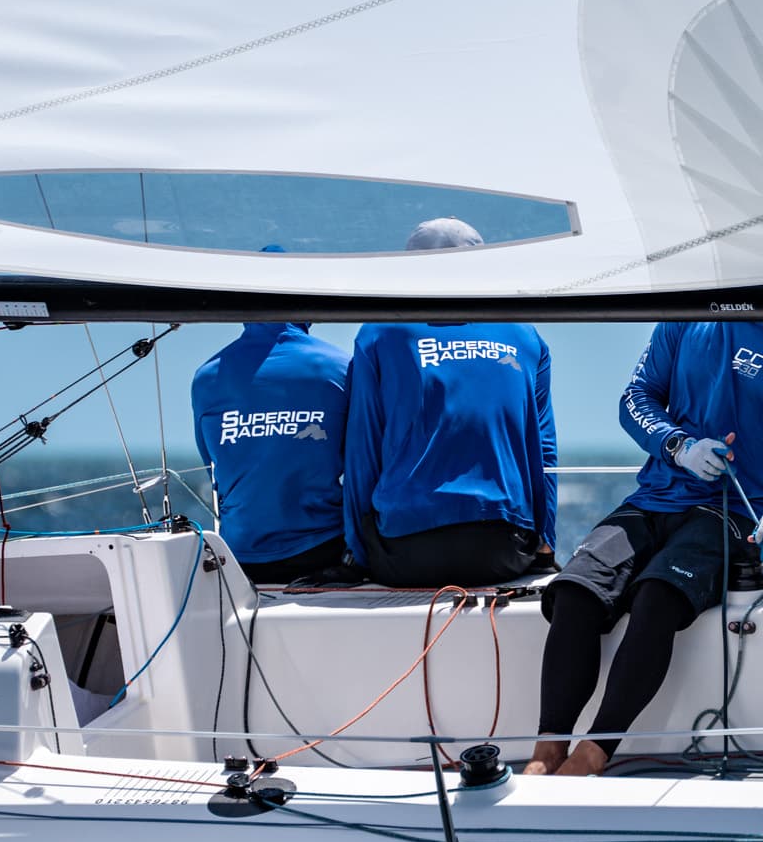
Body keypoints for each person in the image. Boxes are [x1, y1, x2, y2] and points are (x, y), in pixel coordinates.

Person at [527, 319, 763, 777]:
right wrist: (677, 445)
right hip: (655, 496)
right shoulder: (686, 315)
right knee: (575, 590)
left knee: (657, 594)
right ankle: (548, 749)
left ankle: (594, 752)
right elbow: (636, 399)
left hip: (739, 510)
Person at [341, 219, 557, 586]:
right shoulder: (524, 334)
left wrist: (357, 557)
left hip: (406, 554)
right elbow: (545, 453)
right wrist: (545, 548)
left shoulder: (380, 332)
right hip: (501, 550)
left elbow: (361, 452)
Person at [191, 320, 351, 584]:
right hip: (324, 553)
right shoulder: (341, 366)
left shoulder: (206, 377)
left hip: (239, 559)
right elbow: (362, 462)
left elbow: (213, 465)